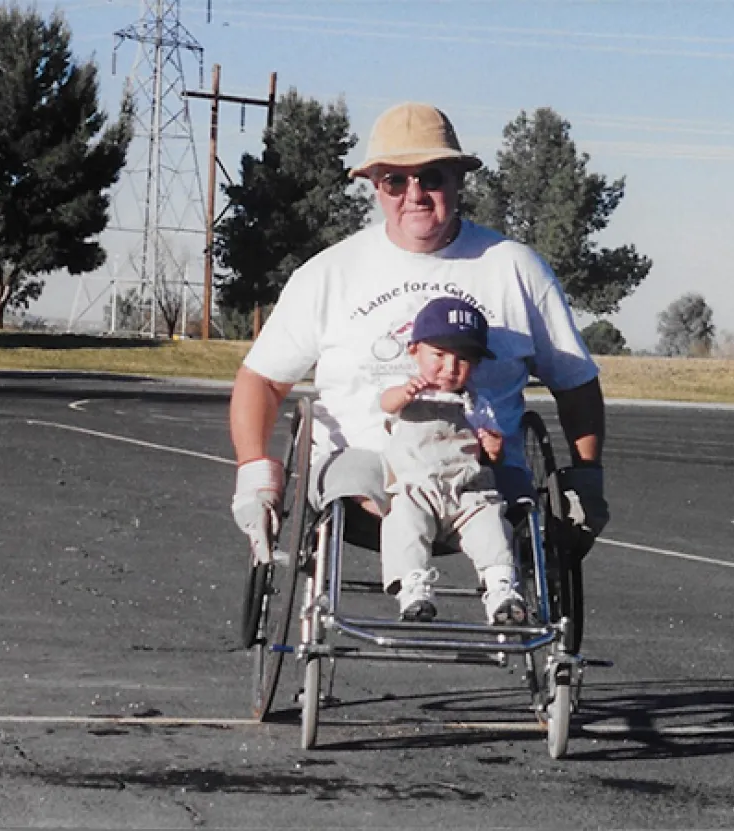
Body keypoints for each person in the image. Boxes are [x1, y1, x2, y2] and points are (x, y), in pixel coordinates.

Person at [229, 101, 609, 588]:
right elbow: (261, 378)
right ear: (375, 186)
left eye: (431, 177)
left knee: (511, 502)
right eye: (395, 180)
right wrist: (255, 476)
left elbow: (575, 380)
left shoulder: (513, 268)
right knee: (359, 486)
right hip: (366, 470)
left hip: (478, 467)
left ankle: (506, 596)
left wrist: (587, 477)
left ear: (458, 180)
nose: (415, 194)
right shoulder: (329, 273)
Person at [379, 296, 527, 624]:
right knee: (403, 520)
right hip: (419, 485)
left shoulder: (476, 402)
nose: (450, 368)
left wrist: (493, 446)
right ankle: (413, 586)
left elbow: (491, 450)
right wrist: (406, 392)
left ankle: (501, 587)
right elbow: (386, 405)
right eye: (439, 355)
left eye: (463, 360)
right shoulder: (407, 393)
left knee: (491, 521)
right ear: (414, 351)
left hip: (466, 488)